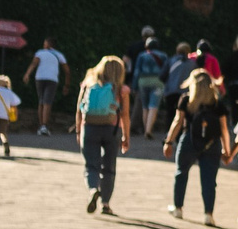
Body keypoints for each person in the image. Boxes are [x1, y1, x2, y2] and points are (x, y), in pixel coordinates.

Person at [164, 68, 232, 224]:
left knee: (181, 173)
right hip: (212, 143)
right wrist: (226, 150)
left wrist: (168, 142)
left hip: (189, 140)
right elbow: (224, 130)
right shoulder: (217, 104)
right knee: (209, 180)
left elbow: (178, 122)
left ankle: (178, 208)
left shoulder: (186, 100)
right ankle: (208, 214)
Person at [76, 56, 131, 213]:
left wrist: (79, 131)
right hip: (111, 130)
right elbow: (125, 115)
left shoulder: (88, 84)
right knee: (109, 167)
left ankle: (93, 189)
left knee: (91, 165)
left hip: (90, 128)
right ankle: (105, 204)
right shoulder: (121, 89)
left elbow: (79, 110)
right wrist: (126, 136)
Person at [132, 37, 171, 138]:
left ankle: (146, 129)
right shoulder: (163, 56)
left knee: (145, 107)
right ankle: (148, 130)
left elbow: (137, 72)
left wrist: (134, 86)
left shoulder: (142, 55)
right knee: (153, 106)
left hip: (143, 82)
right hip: (158, 82)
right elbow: (167, 71)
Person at [30, 37, 69, 135]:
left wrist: (27, 74)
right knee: (47, 102)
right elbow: (67, 71)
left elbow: (34, 64)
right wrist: (66, 85)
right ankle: (44, 126)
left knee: (41, 101)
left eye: (45, 43)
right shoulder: (59, 55)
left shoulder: (40, 53)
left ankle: (41, 126)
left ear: (48, 44)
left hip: (39, 78)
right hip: (52, 79)